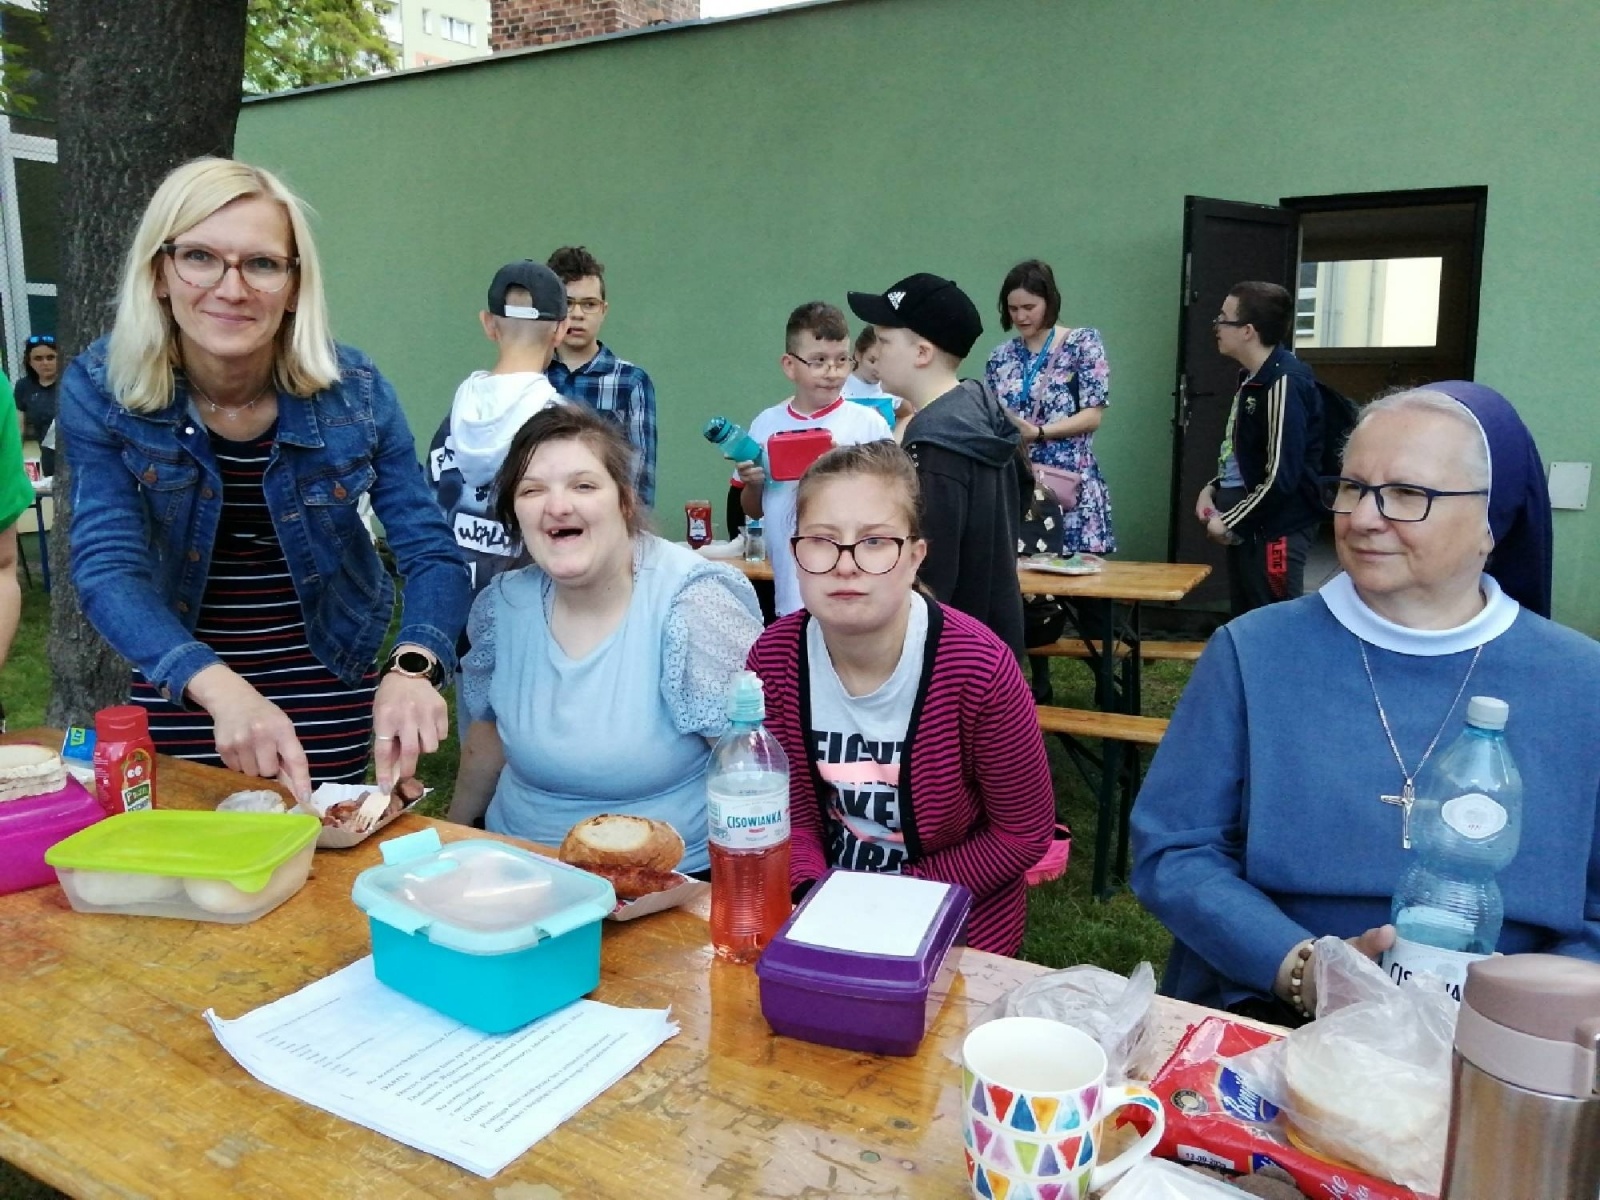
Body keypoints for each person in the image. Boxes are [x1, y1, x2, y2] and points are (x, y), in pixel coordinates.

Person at [1131, 384, 1598, 1021]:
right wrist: (1302, 970)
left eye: (1406, 494)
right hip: (1275, 1008)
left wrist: (1529, 1010)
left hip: (1506, 1035)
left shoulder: (1582, 681)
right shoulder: (1255, 650)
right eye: (1352, 487)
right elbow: (1176, 850)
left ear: (1493, 520)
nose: (1362, 518)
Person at [59, 157, 469, 799]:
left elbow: (431, 551)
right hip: (187, 678)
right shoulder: (101, 389)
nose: (231, 288)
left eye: (261, 263)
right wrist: (222, 691)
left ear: (294, 285)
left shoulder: (357, 394)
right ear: (160, 272)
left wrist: (413, 666)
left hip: (327, 673)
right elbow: (107, 566)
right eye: (200, 257)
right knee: (192, 850)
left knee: (319, 849)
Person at [745, 441, 1055, 955]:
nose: (846, 564)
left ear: (914, 558)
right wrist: (813, 895)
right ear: (795, 553)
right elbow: (787, 812)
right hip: (823, 909)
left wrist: (890, 898)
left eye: (874, 542)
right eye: (822, 540)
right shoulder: (774, 658)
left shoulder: (978, 668)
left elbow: (1022, 833)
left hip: (957, 919)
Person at [448, 404, 763, 873]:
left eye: (583, 485)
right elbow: (487, 735)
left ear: (625, 500)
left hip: (666, 882)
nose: (557, 506)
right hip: (518, 865)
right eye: (532, 490)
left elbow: (751, 765)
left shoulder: (693, 602)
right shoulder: (503, 605)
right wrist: (453, 841)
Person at [848, 273, 1028, 657]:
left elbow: (930, 567)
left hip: (952, 652)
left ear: (922, 353)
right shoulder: (982, 412)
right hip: (993, 637)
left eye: (884, 341)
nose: (875, 353)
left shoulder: (936, 446)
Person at [735, 301, 892, 617]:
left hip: (853, 589)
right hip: (789, 592)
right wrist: (754, 484)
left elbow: (891, 503)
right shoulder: (766, 424)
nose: (832, 372)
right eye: (819, 361)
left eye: (842, 360)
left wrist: (844, 471)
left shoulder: (868, 424)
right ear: (789, 365)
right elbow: (753, 509)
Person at [428, 260, 568, 600]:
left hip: (449, 602)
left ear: (488, 324)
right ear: (561, 330)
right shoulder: (562, 426)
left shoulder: (456, 417)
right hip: (529, 608)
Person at [1196, 281, 1324, 616]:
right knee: (1247, 616)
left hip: (1275, 527)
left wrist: (1229, 521)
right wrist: (1214, 487)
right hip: (1251, 520)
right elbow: (1246, 452)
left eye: (1223, 318)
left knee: (1274, 619)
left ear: (1248, 331)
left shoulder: (1284, 382)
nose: (1216, 326)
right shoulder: (1252, 378)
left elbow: (1281, 476)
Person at [986, 259, 1116, 555]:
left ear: (1049, 302)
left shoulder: (1082, 343)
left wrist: (1040, 432)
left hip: (1070, 484)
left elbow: (1093, 415)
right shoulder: (1000, 357)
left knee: (1080, 576)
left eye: (1029, 307)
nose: (1020, 316)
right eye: (1013, 309)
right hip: (1019, 484)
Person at [544, 245, 657, 506]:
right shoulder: (530, 377)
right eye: (567, 303)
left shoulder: (631, 382)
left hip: (604, 520)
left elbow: (640, 480)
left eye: (589, 304)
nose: (577, 314)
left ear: (603, 310)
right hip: (541, 518)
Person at [840, 326, 906, 433]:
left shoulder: (892, 389)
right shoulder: (839, 388)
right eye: (872, 361)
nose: (877, 368)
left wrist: (896, 439)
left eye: (884, 362)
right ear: (858, 355)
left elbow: (906, 415)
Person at [14, 334, 59, 475]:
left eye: (50, 357)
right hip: (48, 457)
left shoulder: (70, 382)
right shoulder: (23, 387)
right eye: (38, 358)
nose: (45, 363)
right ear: (29, 362)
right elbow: (18, 428)